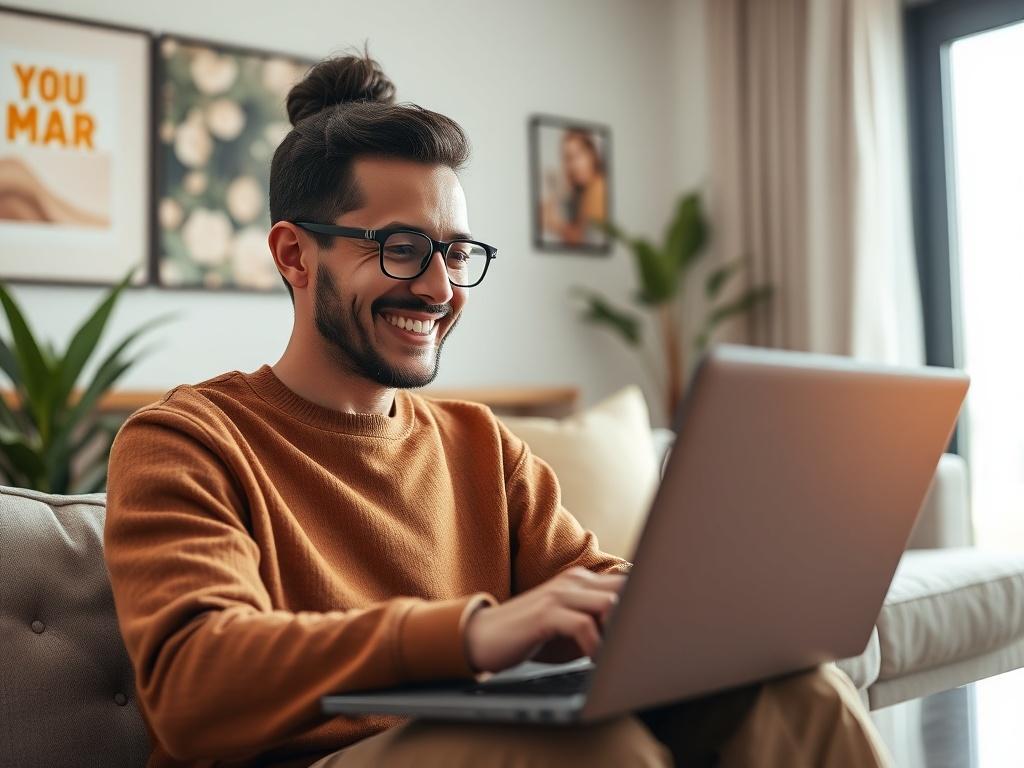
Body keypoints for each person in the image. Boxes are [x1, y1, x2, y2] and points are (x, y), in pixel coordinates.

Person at [104, 52, 893, 767]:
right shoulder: (184, 442)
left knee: (798, 691)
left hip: (462, 740)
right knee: (592, 748)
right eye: (402, 248)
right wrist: (475, 632)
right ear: (293, 254)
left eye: (455, 252)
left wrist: (709, 603)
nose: (442, 290)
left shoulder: (477, 443)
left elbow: (593, 585)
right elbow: (193, 681)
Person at [540, 128, 608, 247]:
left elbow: (584, 241)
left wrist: (554, 224)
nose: (574, 165)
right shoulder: (582, 191)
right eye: (568, 158)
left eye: (579, 155)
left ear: (592, 154)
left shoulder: (597, 186)